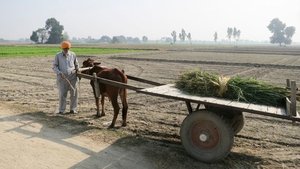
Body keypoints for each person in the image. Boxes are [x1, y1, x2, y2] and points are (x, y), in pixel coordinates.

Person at [52, 41, 79, 114]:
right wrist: (59, 73)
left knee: (74, 93)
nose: (66, 50)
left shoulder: (73, 54)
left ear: (69, 48)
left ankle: (73, 109)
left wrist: (77, 71)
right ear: (62, 48)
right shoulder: (58, 56)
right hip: (62, 78)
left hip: (73, 77)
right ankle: (61, 110)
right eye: (64, 49)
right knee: (62, 94)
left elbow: (76, 65)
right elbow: (54, 66)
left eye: (67, 48)